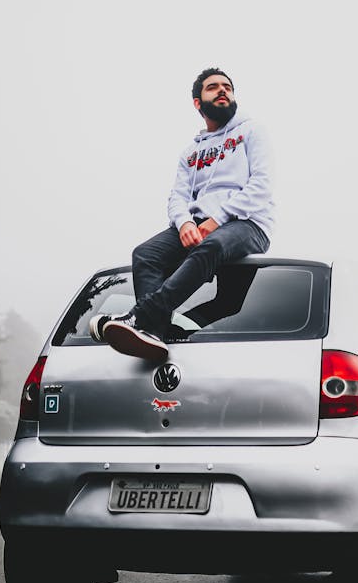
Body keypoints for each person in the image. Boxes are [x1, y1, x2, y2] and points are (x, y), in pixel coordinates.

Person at [90, 67, 274, 362]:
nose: (223, 90)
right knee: (145, 254)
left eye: (227, 86)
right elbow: (177, 197)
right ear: (198, 103)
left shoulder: (251, 131)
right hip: (198, 224)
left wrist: (216, 220)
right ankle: (153, 335)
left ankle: (140, 318)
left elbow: (261, 186)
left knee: (209, 246)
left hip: (247, 223)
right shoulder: (191, 152)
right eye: (213, 87)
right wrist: (186, 222)